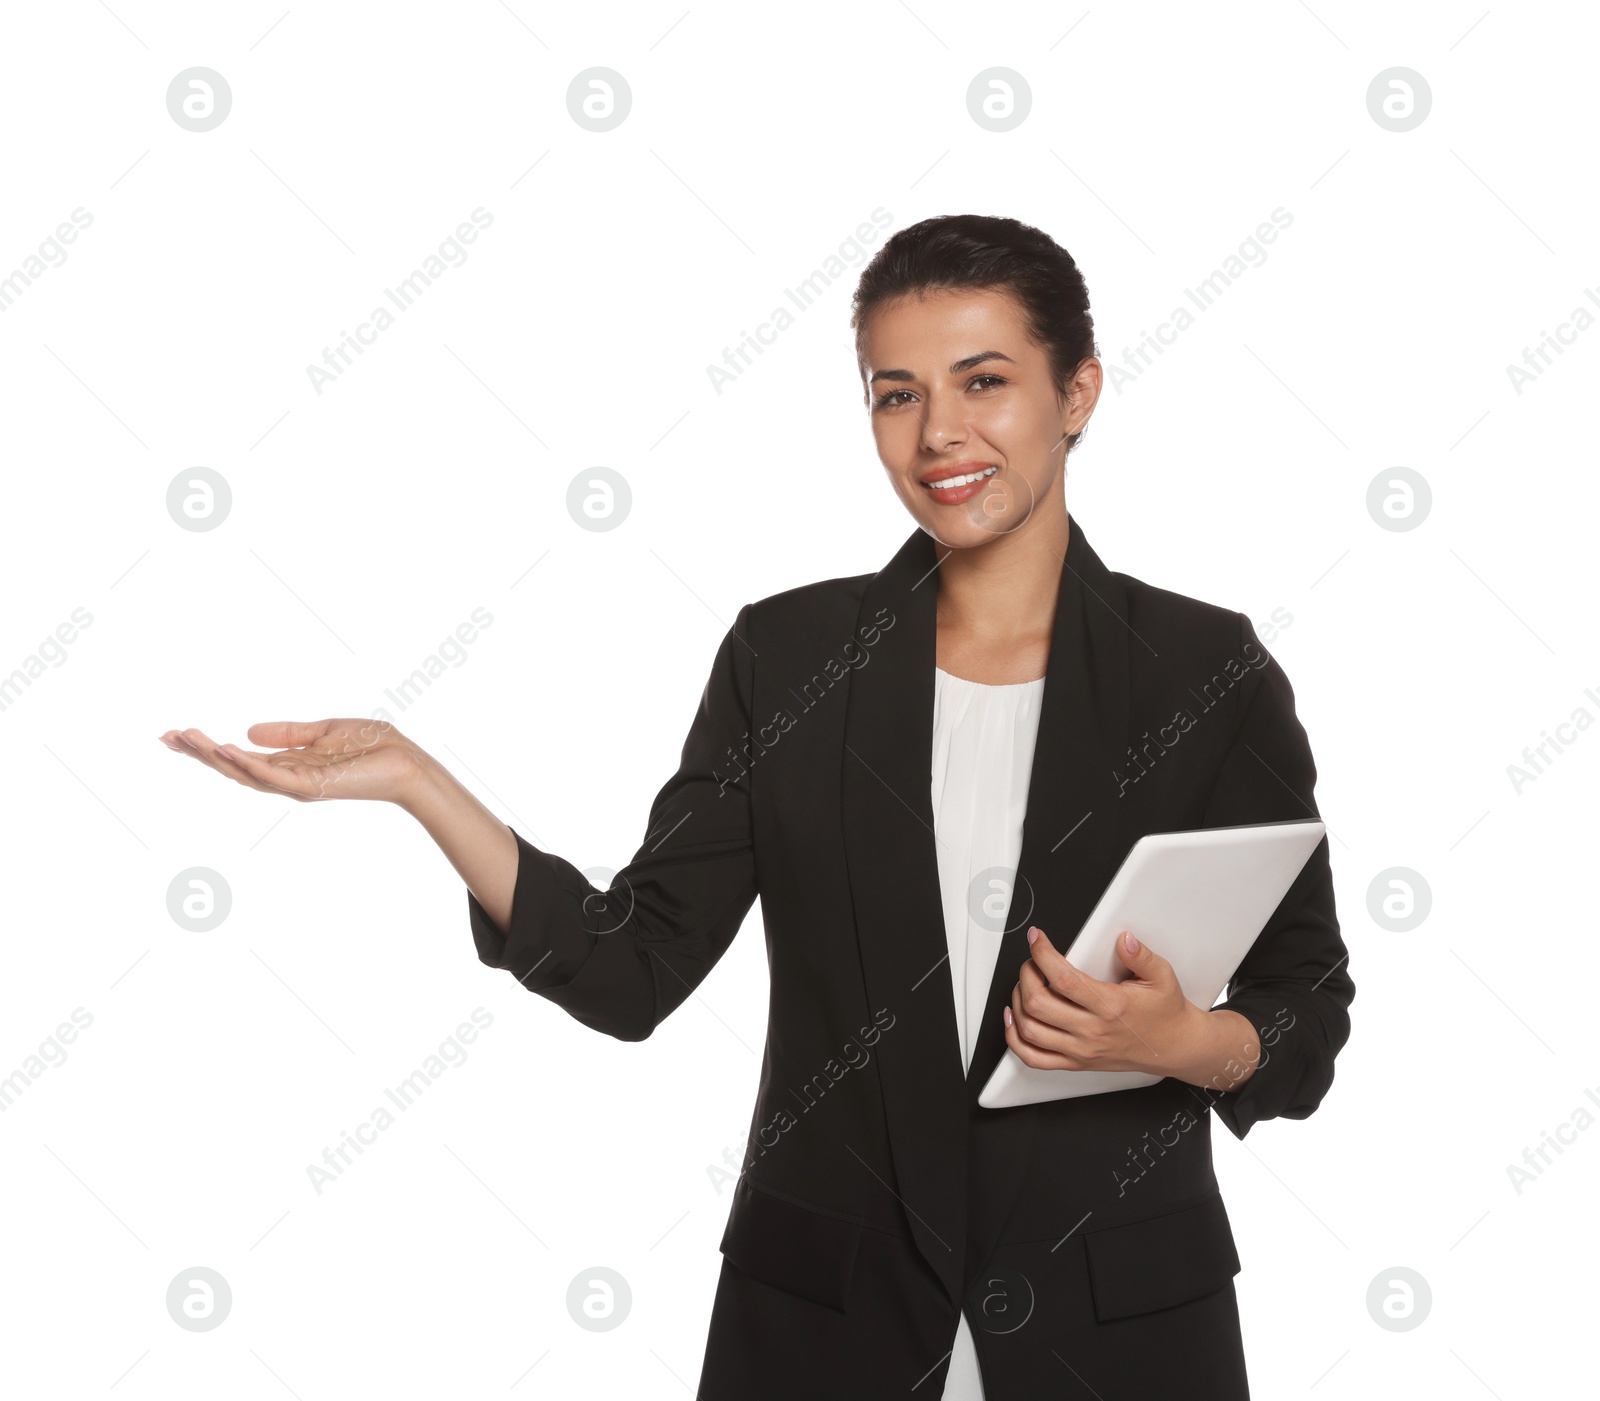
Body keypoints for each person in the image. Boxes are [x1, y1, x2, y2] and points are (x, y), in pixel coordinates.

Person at [161, 214, 1354, 1399]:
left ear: (1077, 392)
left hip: (1121, 1329)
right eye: (895, 393)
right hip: (828, 1327)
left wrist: (1185, 1043)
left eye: (983, 381)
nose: (938, 431)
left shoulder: (1205, 674)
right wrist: (421, 784)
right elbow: (635, 967)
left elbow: (1306, 1004)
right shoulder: (788, 659)